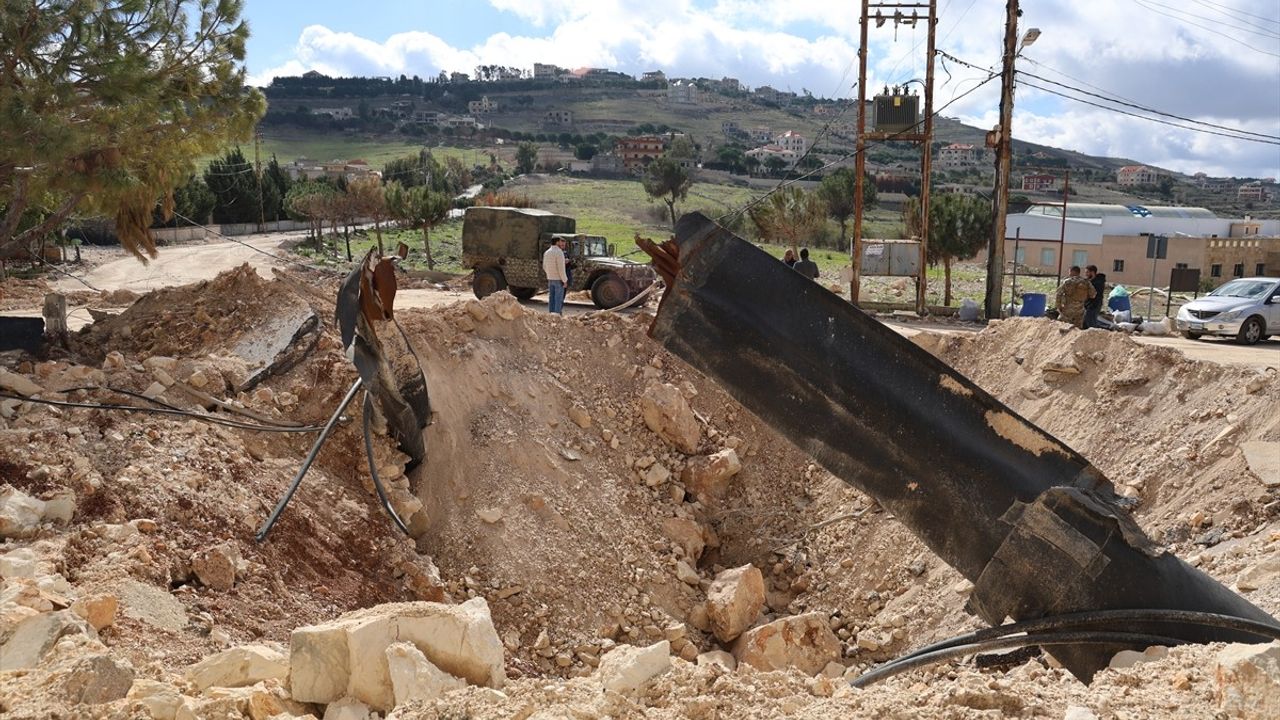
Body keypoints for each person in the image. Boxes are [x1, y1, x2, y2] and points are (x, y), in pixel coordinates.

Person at [542, 236, 568, 314]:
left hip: (550, 278)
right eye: (560, 241)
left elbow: (544, 266)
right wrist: (565, 280)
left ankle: (551, 314)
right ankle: (556, 315)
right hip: (558, 279)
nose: (561, 243)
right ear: (557, 242)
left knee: (551, 298)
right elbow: (561, 268)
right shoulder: (559, 252)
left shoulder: (547, 252)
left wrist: (549, 274)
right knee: (558, 298)